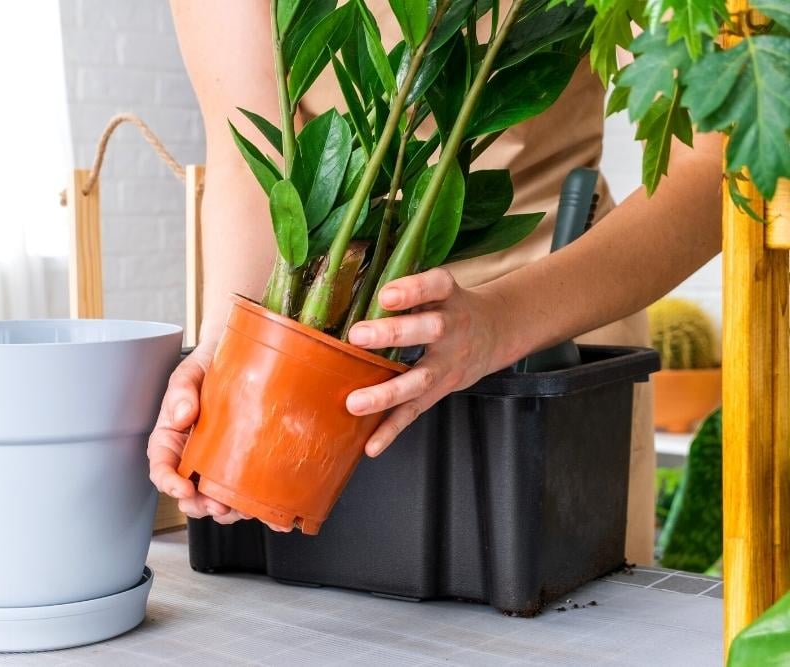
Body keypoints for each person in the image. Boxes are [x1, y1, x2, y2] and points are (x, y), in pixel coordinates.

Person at [149, 0, 722, 563]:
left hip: (550, 328)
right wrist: (229, 354)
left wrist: (503, 323)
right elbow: (255, 162)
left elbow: (715, 168)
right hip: (329, 349)